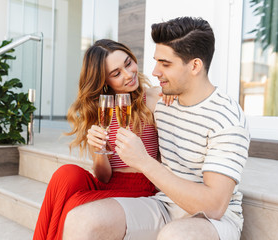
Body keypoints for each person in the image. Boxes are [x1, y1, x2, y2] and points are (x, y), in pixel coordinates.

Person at [62, 16, 250, 240]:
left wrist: (143, 161)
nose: (154, 72)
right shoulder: (160, 102)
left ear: (195, 66)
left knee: (175, 236)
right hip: (162, 205)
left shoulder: (226, 117)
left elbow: (214, 206)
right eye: (156, 61)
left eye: (165, 64)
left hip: (214, 221)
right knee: (81, 219)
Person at [33, 39, 174, 240]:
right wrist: (98, 149)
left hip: (140, 185)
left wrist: (175, 93)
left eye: (128, 63)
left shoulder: (152, 98)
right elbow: (103, 177)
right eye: (116, 74)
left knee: (73, 206)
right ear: (103, 80)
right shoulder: (102, 110)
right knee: (65, 174)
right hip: (109, 184)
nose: (128, 74)